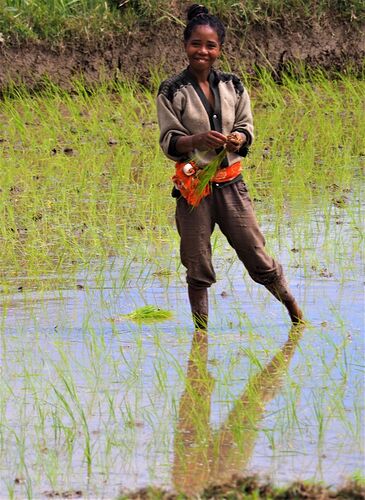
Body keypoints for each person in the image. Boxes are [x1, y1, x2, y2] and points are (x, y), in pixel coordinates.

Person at [156, 4, 303, 331]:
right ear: (185, 45)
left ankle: (294, 311)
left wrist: (238, 137)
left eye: (210, 45)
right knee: (197, 264)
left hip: (231, 185)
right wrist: (196, 140)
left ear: (219, 49)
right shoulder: (172, 89)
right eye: (196, 44)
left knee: (256, 256)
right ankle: (201, 334)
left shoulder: (233, 85)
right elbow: (169, 140)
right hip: (194, 190)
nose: (202, 51)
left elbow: (246, 125)